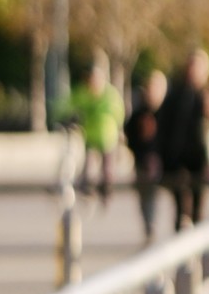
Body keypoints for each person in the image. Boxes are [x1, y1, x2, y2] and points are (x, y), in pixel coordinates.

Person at [158, 48, 209, 230]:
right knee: (180, 204)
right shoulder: (176, 94)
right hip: (177, 157)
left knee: (199, 205)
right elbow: (164, 123)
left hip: (201, 158)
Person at [59, 54, 125, 203]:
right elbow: (71, 105)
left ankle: (106, 192)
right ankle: (88, 190)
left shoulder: (109, 95)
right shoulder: (85, 93)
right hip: (91, 135)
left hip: (108, 136)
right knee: (89, 166)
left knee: (107, 168)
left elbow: (119, 112)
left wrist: (119, 129)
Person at [124, 68, 168, 241]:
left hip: (163, 161)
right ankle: (149, 225)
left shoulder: (167, 110)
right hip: (143, 162)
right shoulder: (139, 113)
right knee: (145, 195)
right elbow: (130, 134)